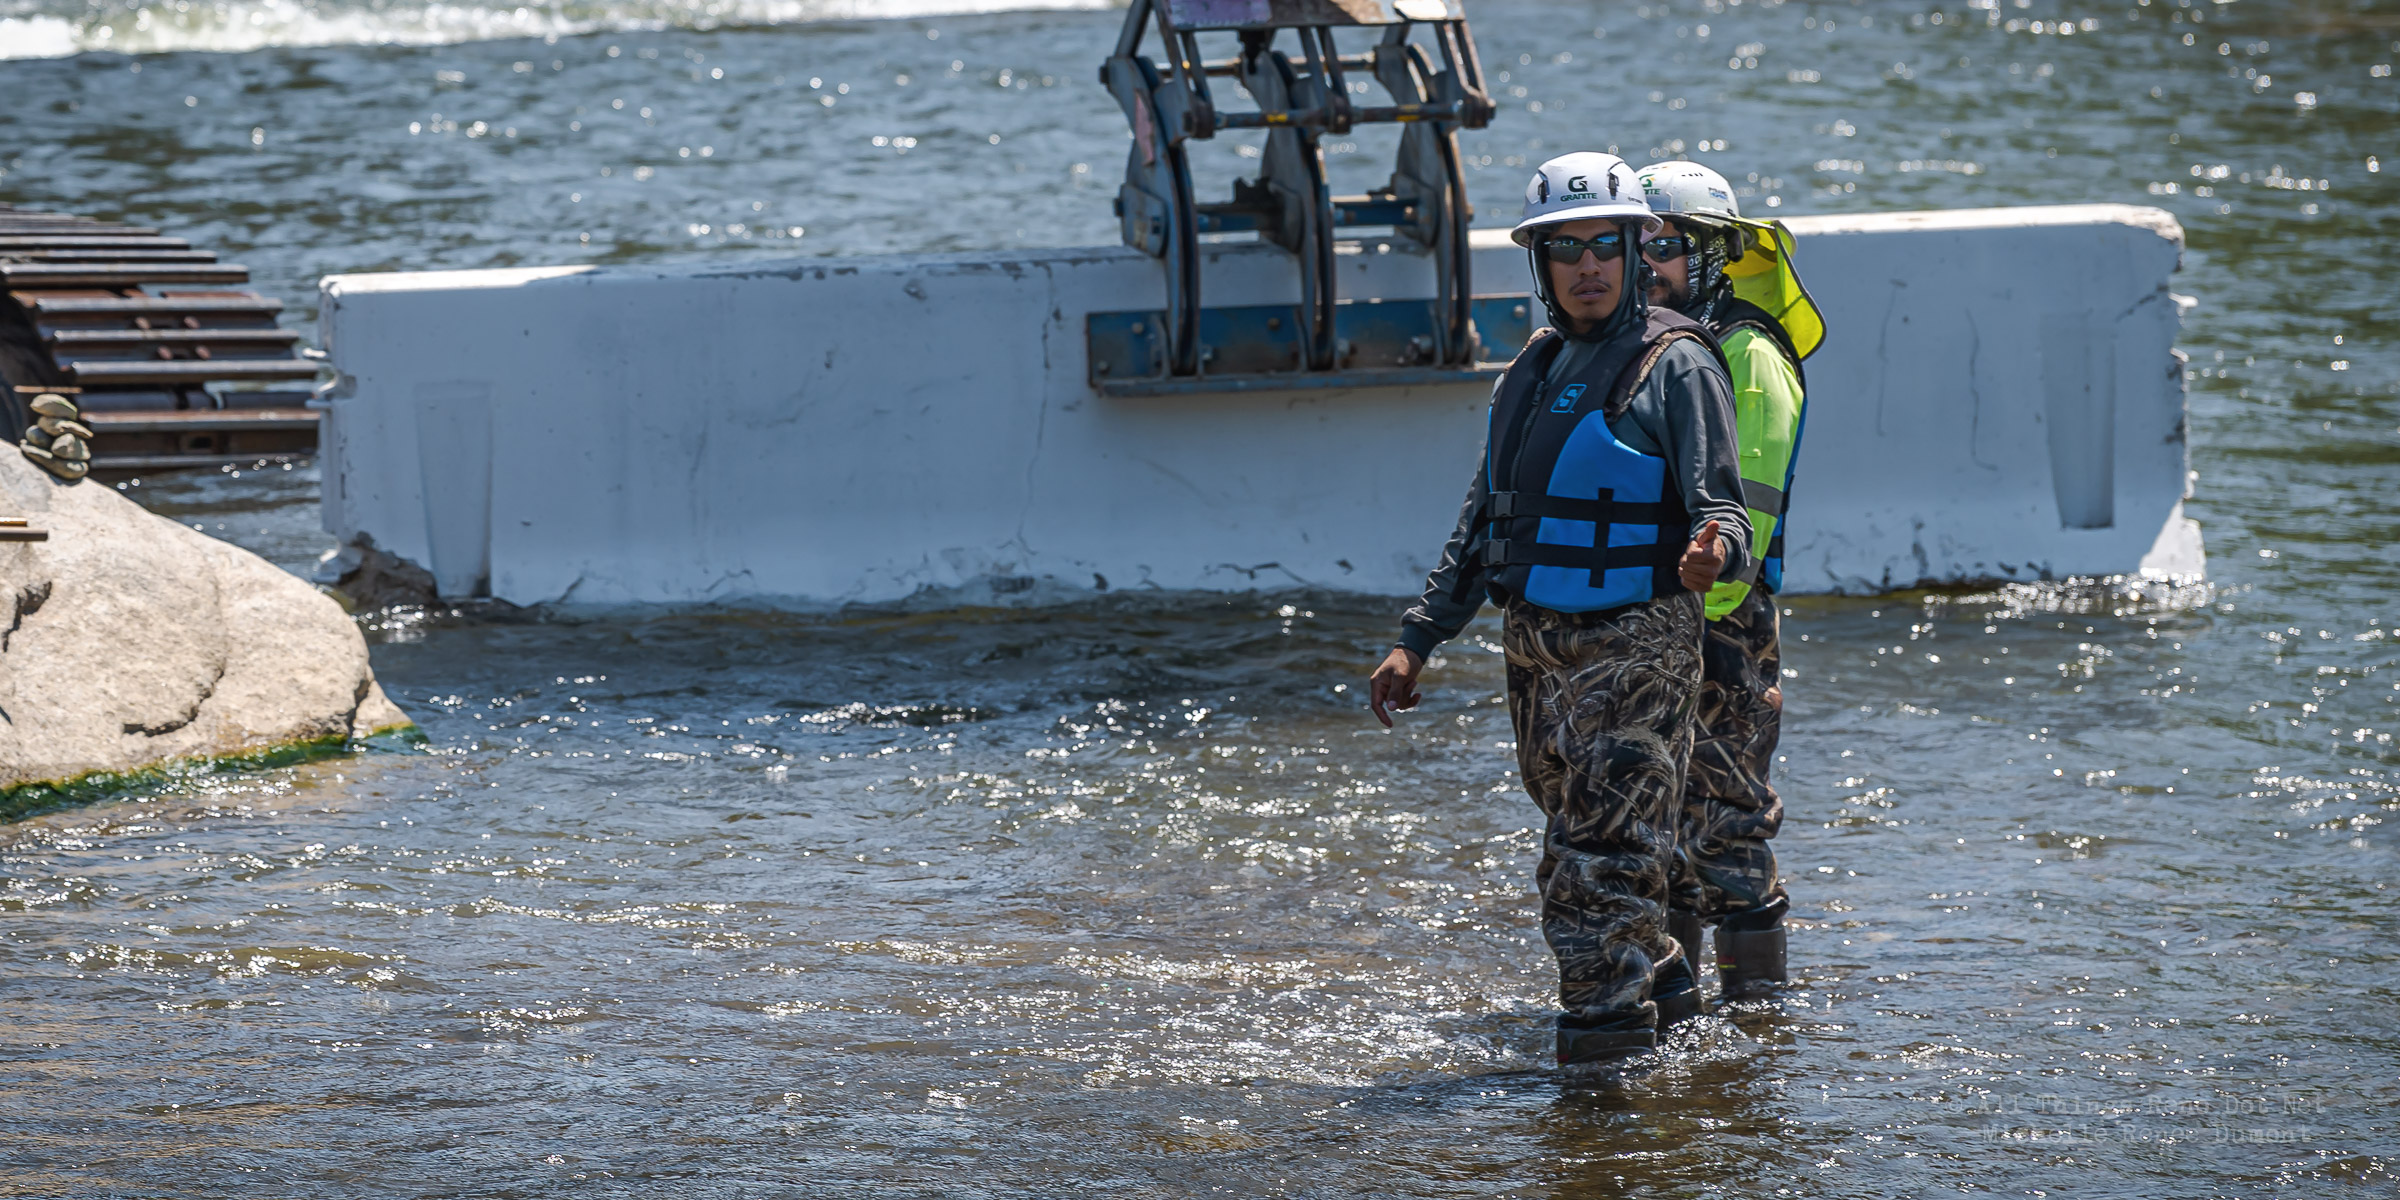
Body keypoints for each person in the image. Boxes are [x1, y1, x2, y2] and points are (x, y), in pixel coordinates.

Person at [1365, 152, 1753, 1067]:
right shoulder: (1532, 369)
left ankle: (1600, 1081)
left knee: (1597, 863)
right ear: (1540, 262)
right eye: (1565, 249)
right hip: (1537, 647)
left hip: (1637, 639)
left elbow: (1725, 509)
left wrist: (1714, 552)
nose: (1588, 267)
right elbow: (1485, 518)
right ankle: (1677, 1022)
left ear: (1633, 249)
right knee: (1578, 836)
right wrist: (1418, 639)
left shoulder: (1676, 364)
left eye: (1604, 247)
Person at [1634, 161, 1823, 1003]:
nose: (1647, 264)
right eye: (1636, 245)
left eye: (1665, 246)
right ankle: (1676, 1018)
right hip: (1667, 614)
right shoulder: (1673, 344)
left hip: (1721, 622)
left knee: (1727, 824)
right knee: (1666, 826)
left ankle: (1757, 1017)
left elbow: (1748, 515)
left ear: (1712, 254)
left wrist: (1690, 620)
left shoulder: (1749, 355)